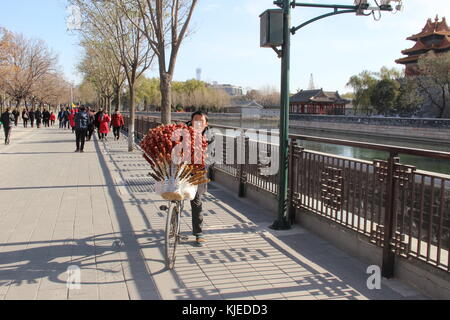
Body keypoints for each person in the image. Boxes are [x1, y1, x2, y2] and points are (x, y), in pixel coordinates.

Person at [186, 111, 215, 247]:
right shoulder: (183, 131)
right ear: (191, 121)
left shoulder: (210, 136)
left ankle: (198, 232)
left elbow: (210, 154)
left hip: (199, 169)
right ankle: (173, 219)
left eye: (201, 121)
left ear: (206, 124)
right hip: (182, 166)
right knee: (174, 194)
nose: (198, 124)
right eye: (195, 121)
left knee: (196, 200)